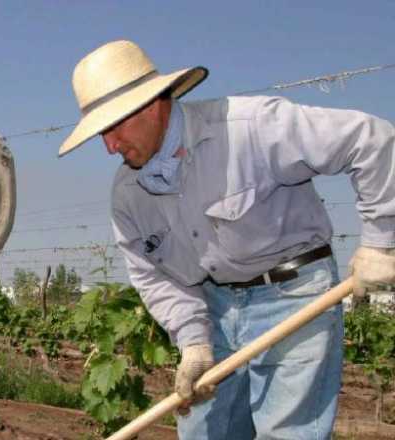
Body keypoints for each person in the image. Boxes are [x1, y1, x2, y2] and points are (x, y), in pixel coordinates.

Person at [58, 40, 395, 439]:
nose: (109, 145)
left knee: (287, 433)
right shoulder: (128, 193)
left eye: (114, 127)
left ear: (150, 104)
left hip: (296, 297)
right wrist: (194, 340)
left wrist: (380, 241)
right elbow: (153, 276)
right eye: (101, 133)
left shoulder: (249, 127)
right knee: (203, 431)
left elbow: (371, 139)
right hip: (214, 307)